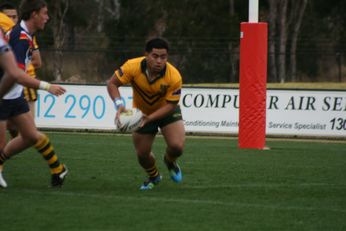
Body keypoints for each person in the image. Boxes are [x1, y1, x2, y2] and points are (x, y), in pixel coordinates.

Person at [0, 0, 68, 188]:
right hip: (3, 96)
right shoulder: (20, 38)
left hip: (14, 96)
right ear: (33, 14)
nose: (47, 18)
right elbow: (18, 75)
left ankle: (58, 169)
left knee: (31, 136)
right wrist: (48, 87)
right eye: (44, 13)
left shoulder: (25, 35)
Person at [107, 38, 185, 190]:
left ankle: (170, 161)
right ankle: (154, 176)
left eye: (163, 57)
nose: (159, 61)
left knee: (177, 147)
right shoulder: (132, 66)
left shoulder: (174, 76)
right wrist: (120, 105)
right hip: (141, 112)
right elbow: (112, 83)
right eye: (155, 56)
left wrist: (150, 118)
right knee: (142, 154)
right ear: (146, 55)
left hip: (166, 111)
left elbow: (171, 105)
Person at [1, 2, 41, 137]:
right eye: (8, 17)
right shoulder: (16, 35)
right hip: (12, 83)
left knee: (28, 134)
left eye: (14, 17)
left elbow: (37, 61)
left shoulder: (27, 35)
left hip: (24, 85)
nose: (11, 20)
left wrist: (19, 68)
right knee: (30, 134)